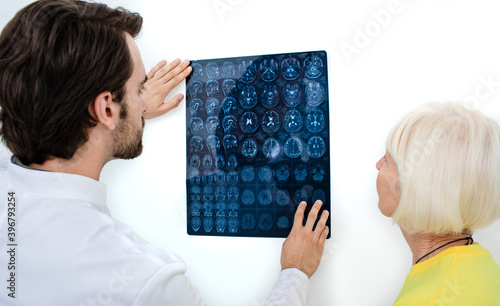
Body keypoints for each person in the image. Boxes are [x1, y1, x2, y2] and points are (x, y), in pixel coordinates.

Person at [0, 0, 329, 305]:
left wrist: (131, 110)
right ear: (106, 110)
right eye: (138, 88)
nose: (143, 98)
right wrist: (295, 273)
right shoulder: (147, 281)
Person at [375, 102, 500, 305]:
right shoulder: (482, 263)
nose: (378, 164)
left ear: (419, 185)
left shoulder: (428, 300)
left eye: (388, 160)